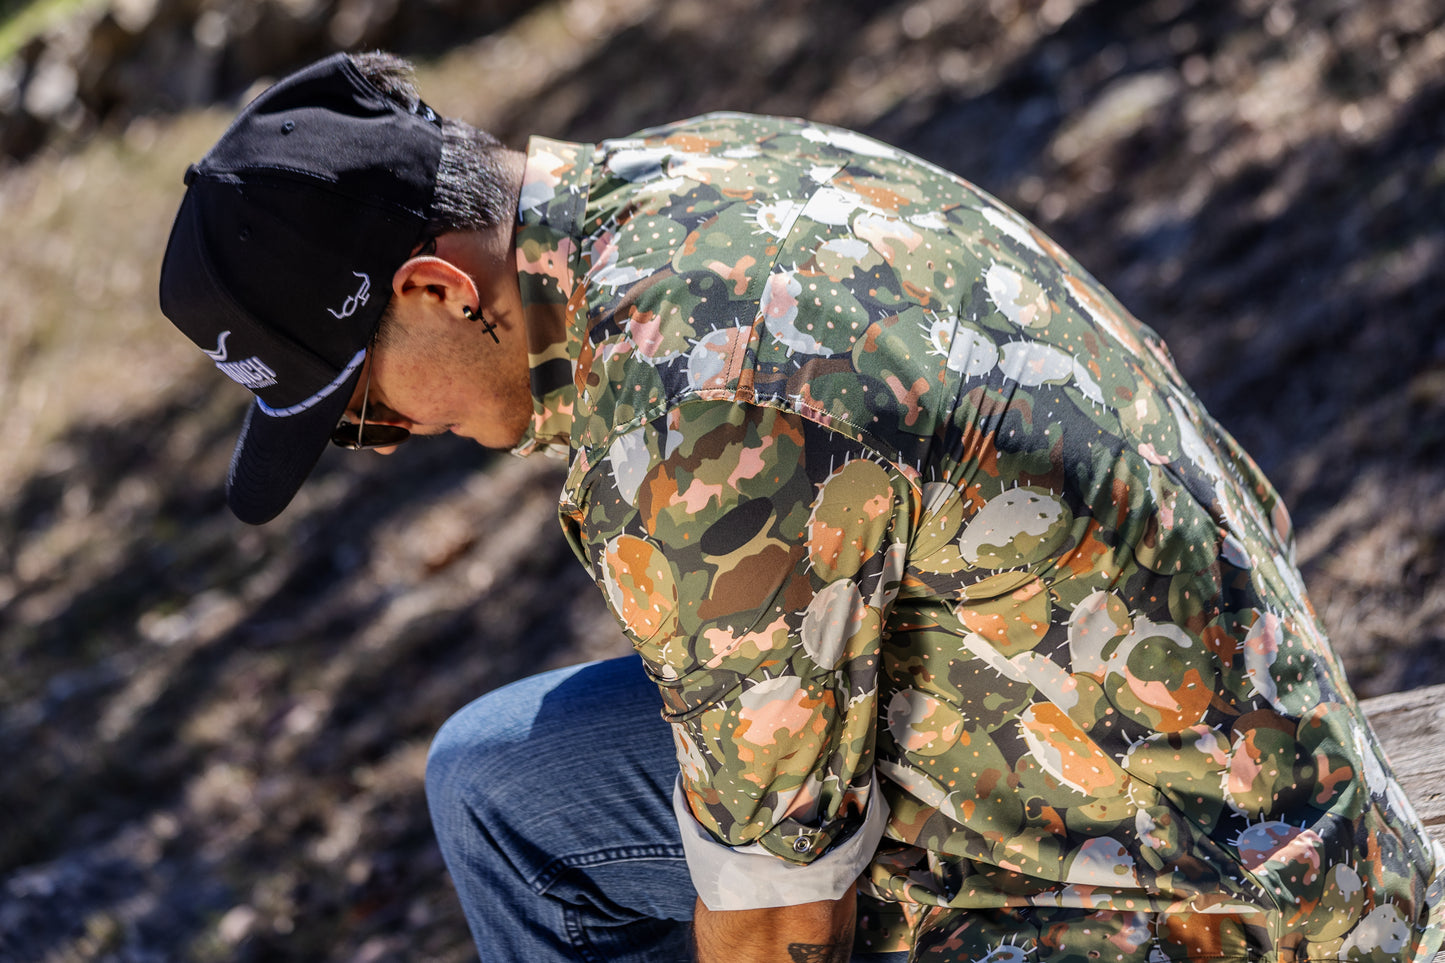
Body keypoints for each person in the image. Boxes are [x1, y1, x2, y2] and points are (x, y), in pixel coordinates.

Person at [158, 51, 1445, 963]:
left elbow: (781, 928)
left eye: (361, 406)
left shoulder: (686, 422)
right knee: (502, 780)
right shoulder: (693, 175)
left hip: (1231, 907)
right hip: (1212, 765)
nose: (378, 449)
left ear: (439, 287)